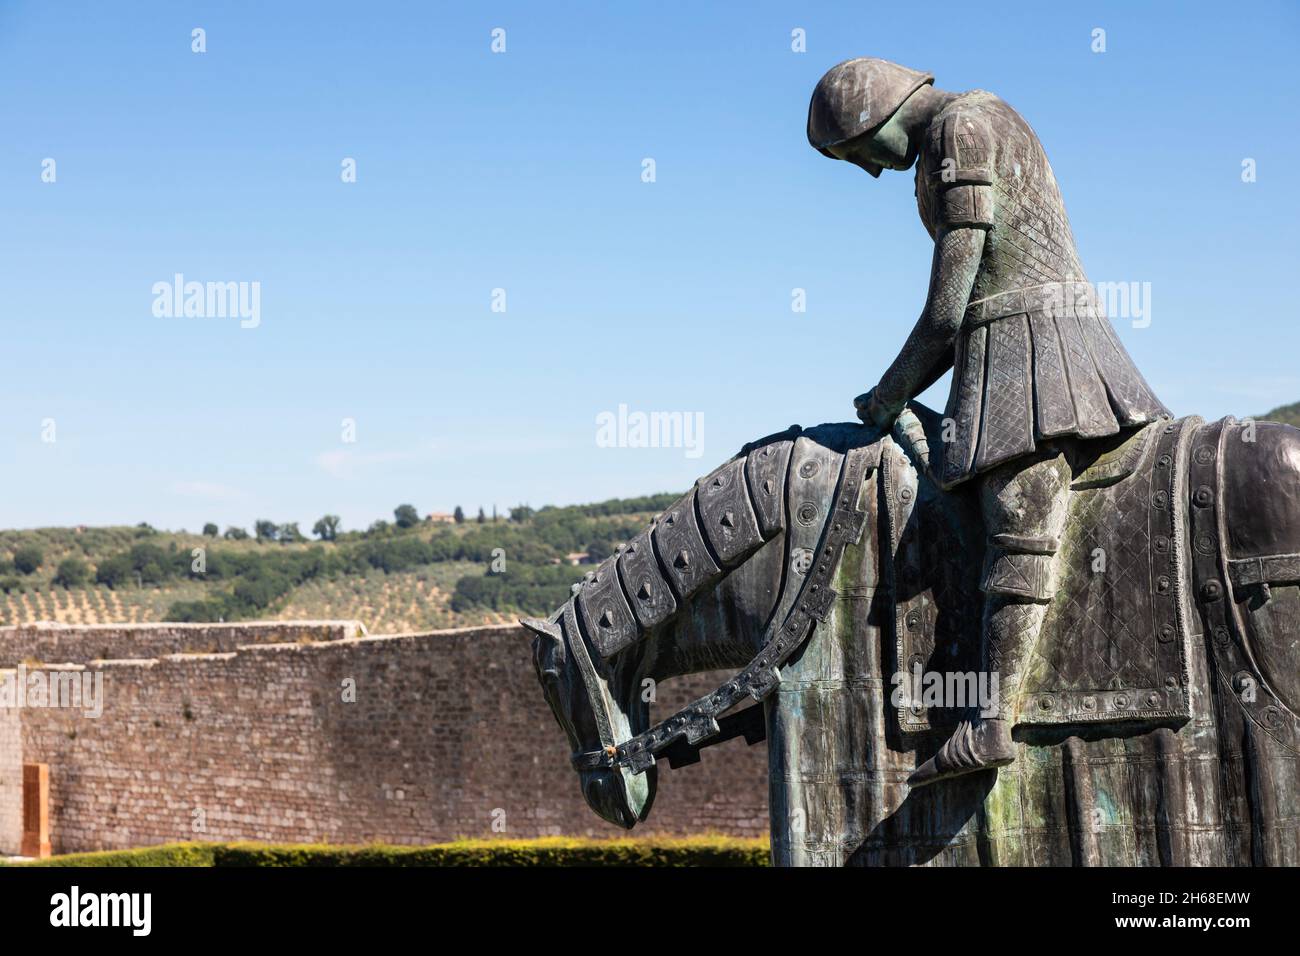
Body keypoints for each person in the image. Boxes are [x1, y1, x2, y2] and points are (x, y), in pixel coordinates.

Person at [807, 58, 1169, 786]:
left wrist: (886, 393)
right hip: (1007, 342)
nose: (870, 173)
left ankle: (991, 721)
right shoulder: (968, 122)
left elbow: (947, 311)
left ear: (875, 118)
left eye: (856, 156)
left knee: (1017, 513)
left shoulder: (961, 130)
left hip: (1034, 347)